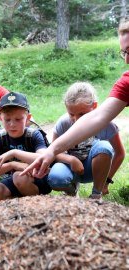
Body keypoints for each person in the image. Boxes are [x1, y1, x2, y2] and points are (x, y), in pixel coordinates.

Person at [23, 21, 129, 180]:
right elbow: (97, 117)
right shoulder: (126, 83)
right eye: (124, 52)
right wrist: (52, 151)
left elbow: (119, 153)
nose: (126, 60)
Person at [47, 82, 125, 199]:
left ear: (94, 106)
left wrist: (107, 181)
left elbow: (120, 154)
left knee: (104, 147)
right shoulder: (63, 123)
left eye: (82, 114)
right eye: (71, 114)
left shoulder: (106, 125)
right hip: (70, 167)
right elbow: (53, 151)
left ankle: (96, 194)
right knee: (55, 179)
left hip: (94, 169)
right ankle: (71, 190)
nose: (76, 119)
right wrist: (71, 159)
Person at [0, 92, 52, 201]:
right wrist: (12, 165)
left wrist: (14, 152)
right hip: (16, 178)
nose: (12, 124)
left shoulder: (34, 135)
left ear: (28, 118)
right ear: (0, 118)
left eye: (18, 119)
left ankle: (37, 204)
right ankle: (19, 207)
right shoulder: (1, 138)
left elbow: (43, 158)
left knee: (19, 177)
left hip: (38, 178)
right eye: (7, 119)